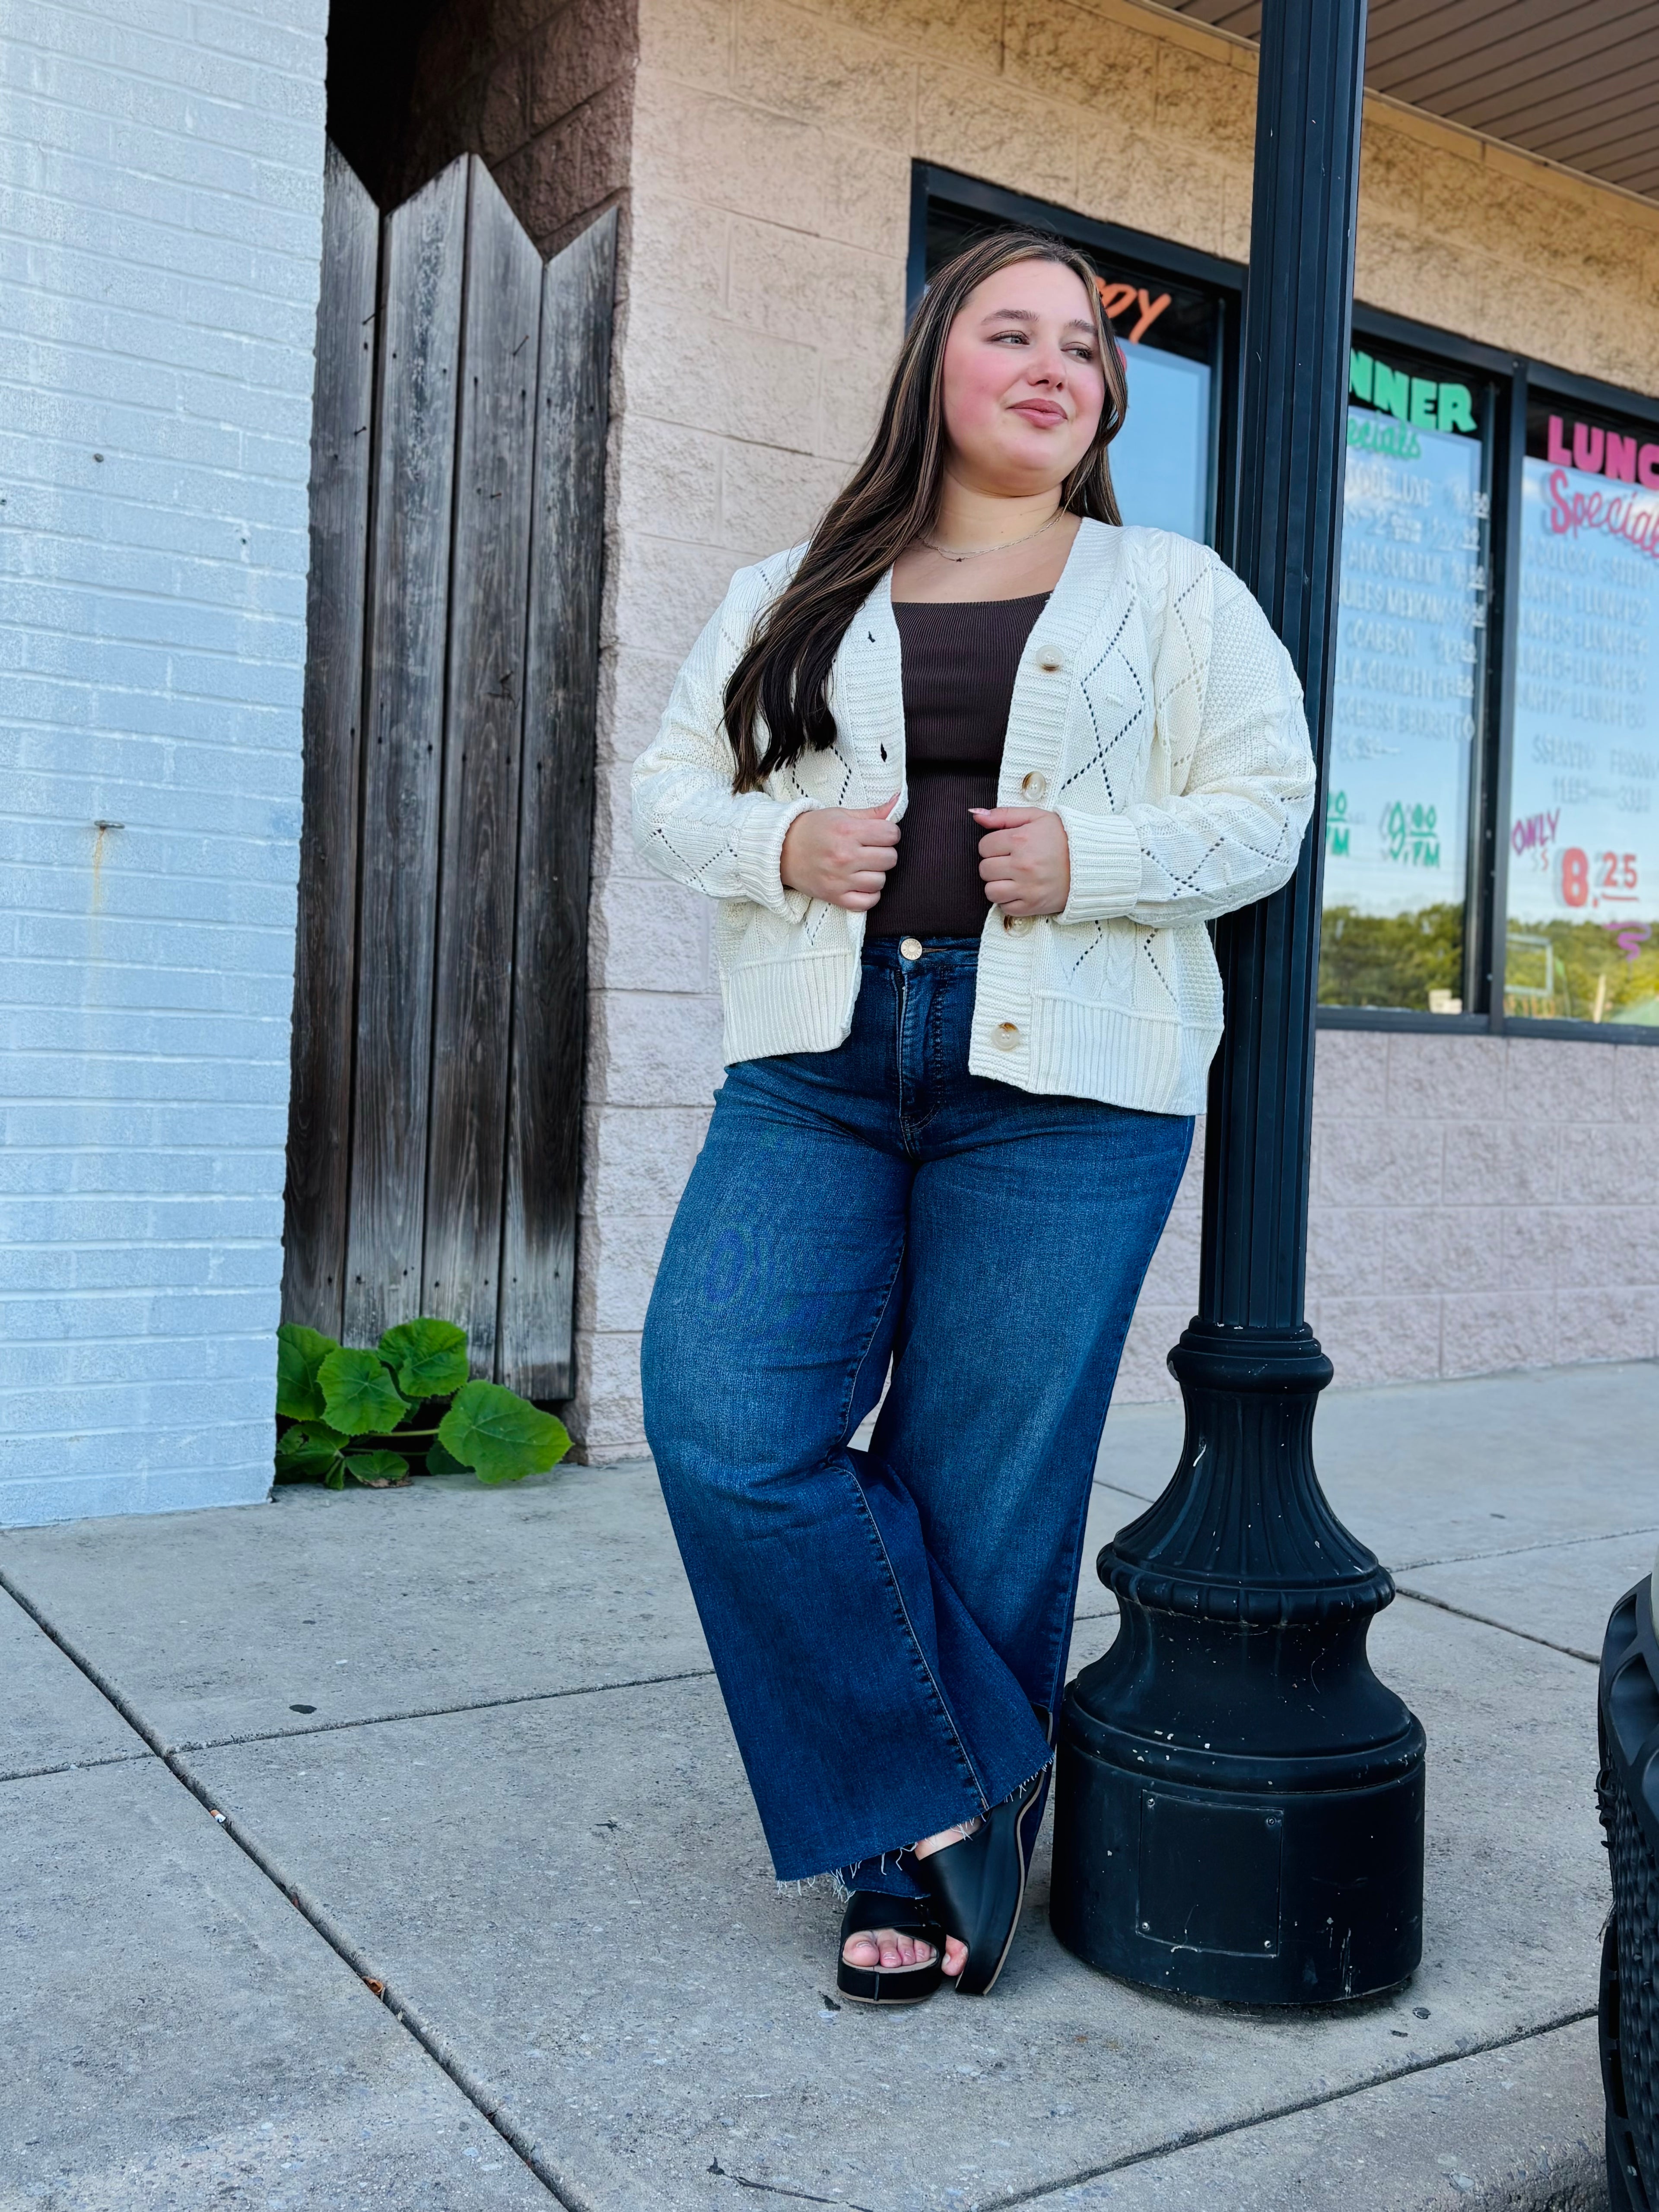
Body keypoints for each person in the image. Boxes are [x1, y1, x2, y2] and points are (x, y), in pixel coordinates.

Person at [631, 226, 1316, 2004]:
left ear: (1102, 402)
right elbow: (668, 785)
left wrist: (1095, 859)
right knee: (719, 1412)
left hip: (1069, 1079)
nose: (1052, 365)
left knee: (981, 1467)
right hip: (818, 1059)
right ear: (934, 366)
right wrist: (777, 842)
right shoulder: (798, 584)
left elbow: (1269, 807)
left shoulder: (1173, 591)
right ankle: (964, 1780)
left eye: (1084, 348)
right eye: (1008, 332)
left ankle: (905, 1846)